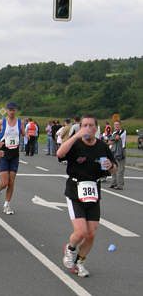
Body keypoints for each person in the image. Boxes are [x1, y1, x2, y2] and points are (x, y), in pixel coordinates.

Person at [57, 114, 116, 277]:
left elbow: (114, 168)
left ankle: (80, 262)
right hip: (75, 189)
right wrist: (75, 135)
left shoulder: (102, 147)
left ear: (96, 128)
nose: (88, 128)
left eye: (91, 125)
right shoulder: (75, 144)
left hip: (94, 191)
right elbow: (60, 154)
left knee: (91, 233)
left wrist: (111, 166)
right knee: (81, 231)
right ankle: (70, 248)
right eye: (84, 125)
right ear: (80, 127)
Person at [0, 102, 25, 215]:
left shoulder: (20, 122)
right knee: (5, 182)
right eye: (9, 110)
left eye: (13, 110)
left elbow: (23, 134)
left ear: (16, 110)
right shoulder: (2, 122)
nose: (11, 112)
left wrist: (27, 136)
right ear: (6, 110)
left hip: (15, 155)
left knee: (11, 182)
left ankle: (6, 205)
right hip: (4, 154)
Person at [109, 120, 127, 190]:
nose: (116, 126)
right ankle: (113, 183)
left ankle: (120, 185)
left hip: (121, 151)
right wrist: (111, 140)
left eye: (117, 125)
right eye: (115, 125)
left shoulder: (123, 131)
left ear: (120, 125)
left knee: (120, 169)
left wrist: (111, 139)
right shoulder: (114, 132)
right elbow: (110, 142)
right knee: (113, 167)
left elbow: (115, 138)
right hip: (114, 151)